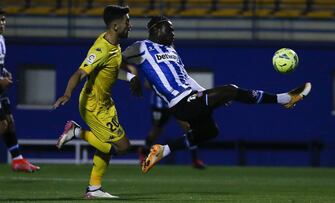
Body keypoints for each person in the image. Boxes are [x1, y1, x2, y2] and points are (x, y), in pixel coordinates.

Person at [122, 16, 312, 173]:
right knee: (231, 89)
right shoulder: (141, 47)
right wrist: (131, 77)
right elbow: (115, 59)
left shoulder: (172, 49)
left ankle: (163, 150)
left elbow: (186, 78)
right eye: (169, 29)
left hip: (190, 99)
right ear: (156, 29)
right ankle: (285, 99)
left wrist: (211, 95)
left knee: (210, 131)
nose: (173, 33)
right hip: (180, 103)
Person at [53, 5, 141, 198]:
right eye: (128, 21)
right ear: (116, 26)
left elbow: (110, 71)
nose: (130, 25)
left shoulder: (115, 45)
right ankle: (75, 131)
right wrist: (67, 94)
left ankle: (94, 188)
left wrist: (130, 78)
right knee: (122, 147)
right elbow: (80, 72)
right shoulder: (101, 49)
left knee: (106, 146)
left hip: (106, 104)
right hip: (92, 106)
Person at [0, 8, 40, 173]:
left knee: (9, 122)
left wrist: (4, 73)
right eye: (0, 20)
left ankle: (18, 160)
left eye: (3, 19)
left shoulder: (1, 39)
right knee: (2, 124)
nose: (3, 23)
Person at [140, 83, 205, 169]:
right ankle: (143, 152)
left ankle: (195, 160)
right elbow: (147, 85)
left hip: (176, 103)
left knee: (188, 128)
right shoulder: (154, 70)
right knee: (156, 131)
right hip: (160, 105)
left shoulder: (178, 71)